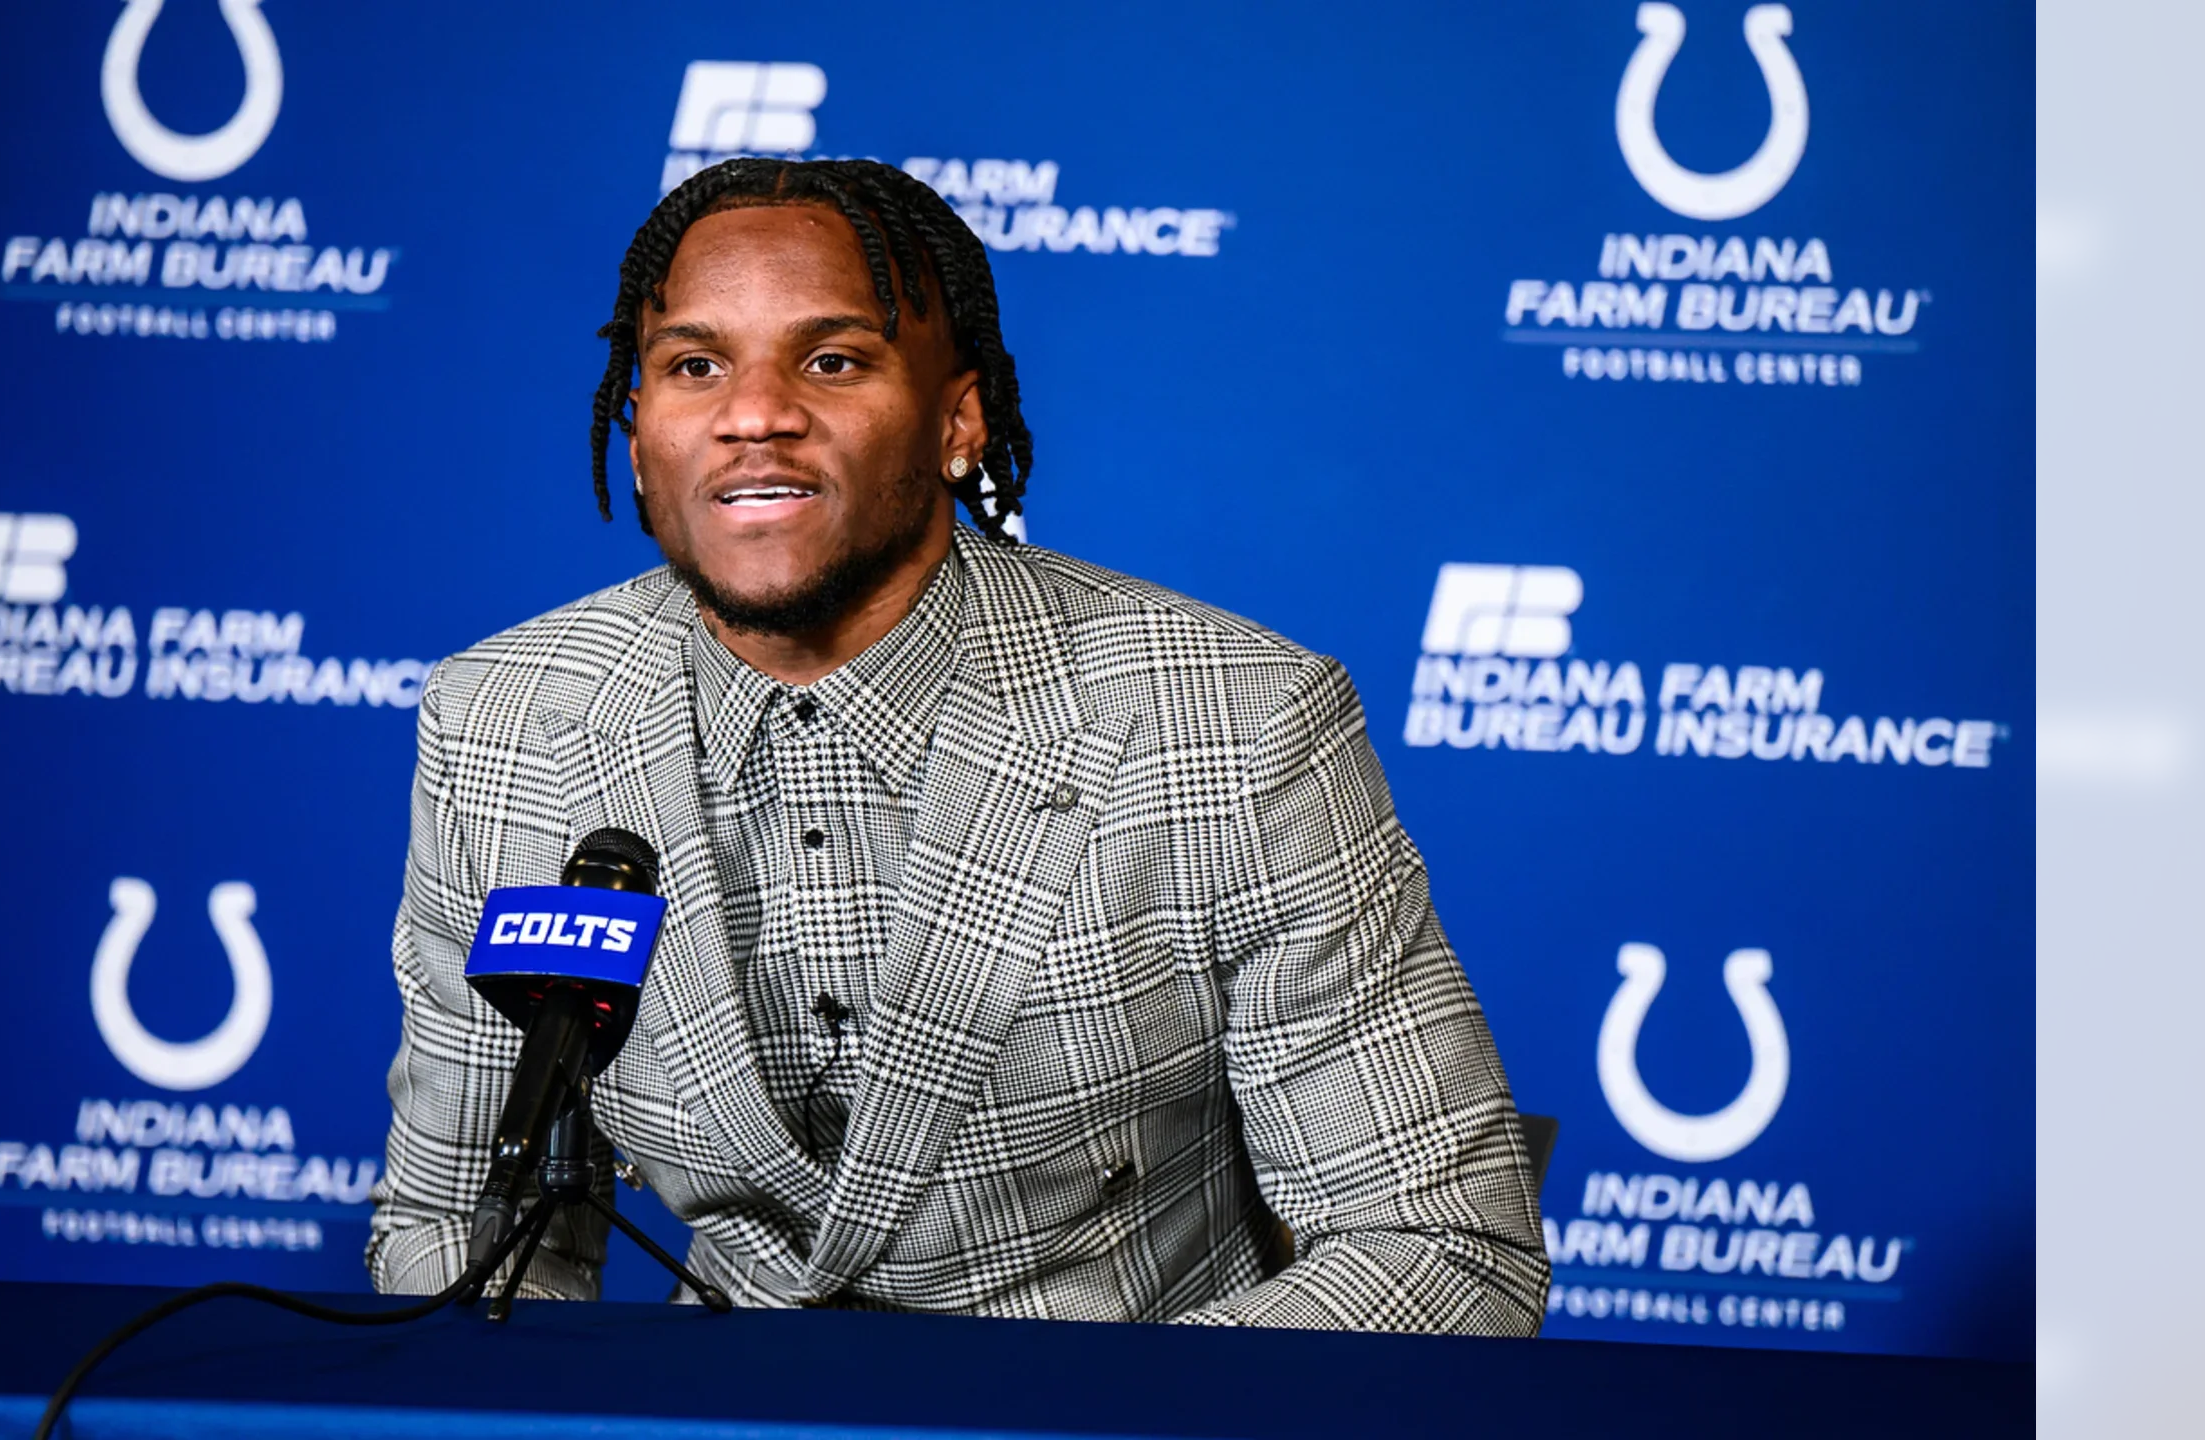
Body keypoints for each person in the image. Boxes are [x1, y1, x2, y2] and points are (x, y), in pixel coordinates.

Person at [367, 158, 1547, 1331]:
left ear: (958, 422)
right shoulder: (504, 722)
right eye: (693, 365)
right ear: (638, 436)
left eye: (832, 360)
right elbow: (458, 1223)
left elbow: (1440, 1246)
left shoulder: (1230, 720)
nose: (754, 413)